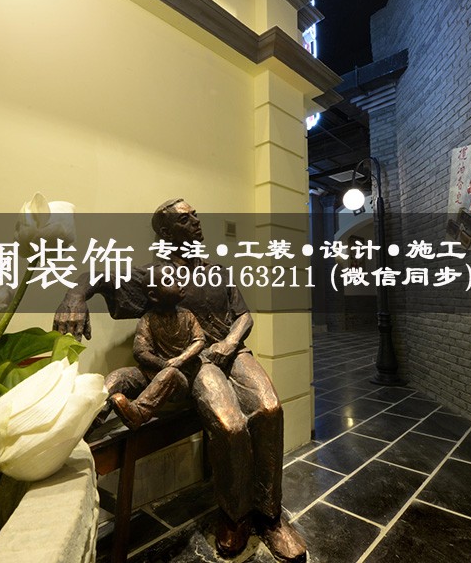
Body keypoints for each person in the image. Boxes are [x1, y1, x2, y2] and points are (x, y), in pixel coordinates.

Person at [54, 199, 307, 562]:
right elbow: (101, 274)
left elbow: (244, 316)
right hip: (196, 364)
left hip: (234, 352)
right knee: (230, 425)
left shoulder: (217, 271)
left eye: (195, 215)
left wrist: (230, 343)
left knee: (270, 409)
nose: (195, 221)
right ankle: (235, 516)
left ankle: (270, 517)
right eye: (184, 219)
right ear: (166, 231)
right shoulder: (157, 277)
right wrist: (75, 295)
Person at [107, 278, 205, 431]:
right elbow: (140, 352)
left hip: (181, 380)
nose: (178, 283)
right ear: (154, 296)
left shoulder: (187, 316)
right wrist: (162, 364)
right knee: (118, 376)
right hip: (152, 373)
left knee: (170, 373)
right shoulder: (148, 319)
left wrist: (179, 360)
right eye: (169, 281)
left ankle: (139, 412)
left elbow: (199, 340)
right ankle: (90, 419)